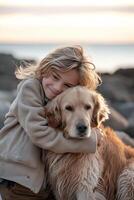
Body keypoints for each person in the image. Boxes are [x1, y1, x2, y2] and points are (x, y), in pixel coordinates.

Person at [0, 45, 102, 200]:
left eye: (67, 85)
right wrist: (88, 143)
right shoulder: (29, 89)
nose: (57, 87)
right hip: (18, 179)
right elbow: (41, 135)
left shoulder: (60, 102)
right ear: (44, 68)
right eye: (55, 77)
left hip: (41, 181)